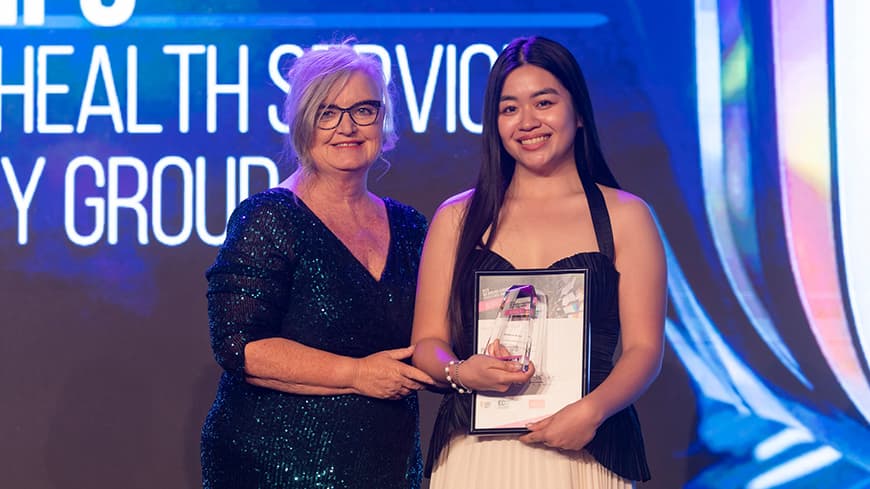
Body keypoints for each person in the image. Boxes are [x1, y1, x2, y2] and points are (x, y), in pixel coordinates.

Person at [411, 36, 666, 488]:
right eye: (509, 109)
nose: (527, 122)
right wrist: (459, 371)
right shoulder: (457, 218)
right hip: (477, 457)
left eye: (543, 102)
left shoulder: (626, 216)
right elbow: (428, 341)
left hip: (585, 451)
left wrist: (593, 410)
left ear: (579, 112)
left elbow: (645, 350)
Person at [200, 42, 434, 489]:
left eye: (364, 110)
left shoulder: (410, 226)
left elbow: (438, 333)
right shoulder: (269, 217)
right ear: (302, 123)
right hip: (274, 466)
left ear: (382, 121)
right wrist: (358, 374)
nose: (347, 126)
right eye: (328, 112)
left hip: (386, 461)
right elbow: (239, 346)